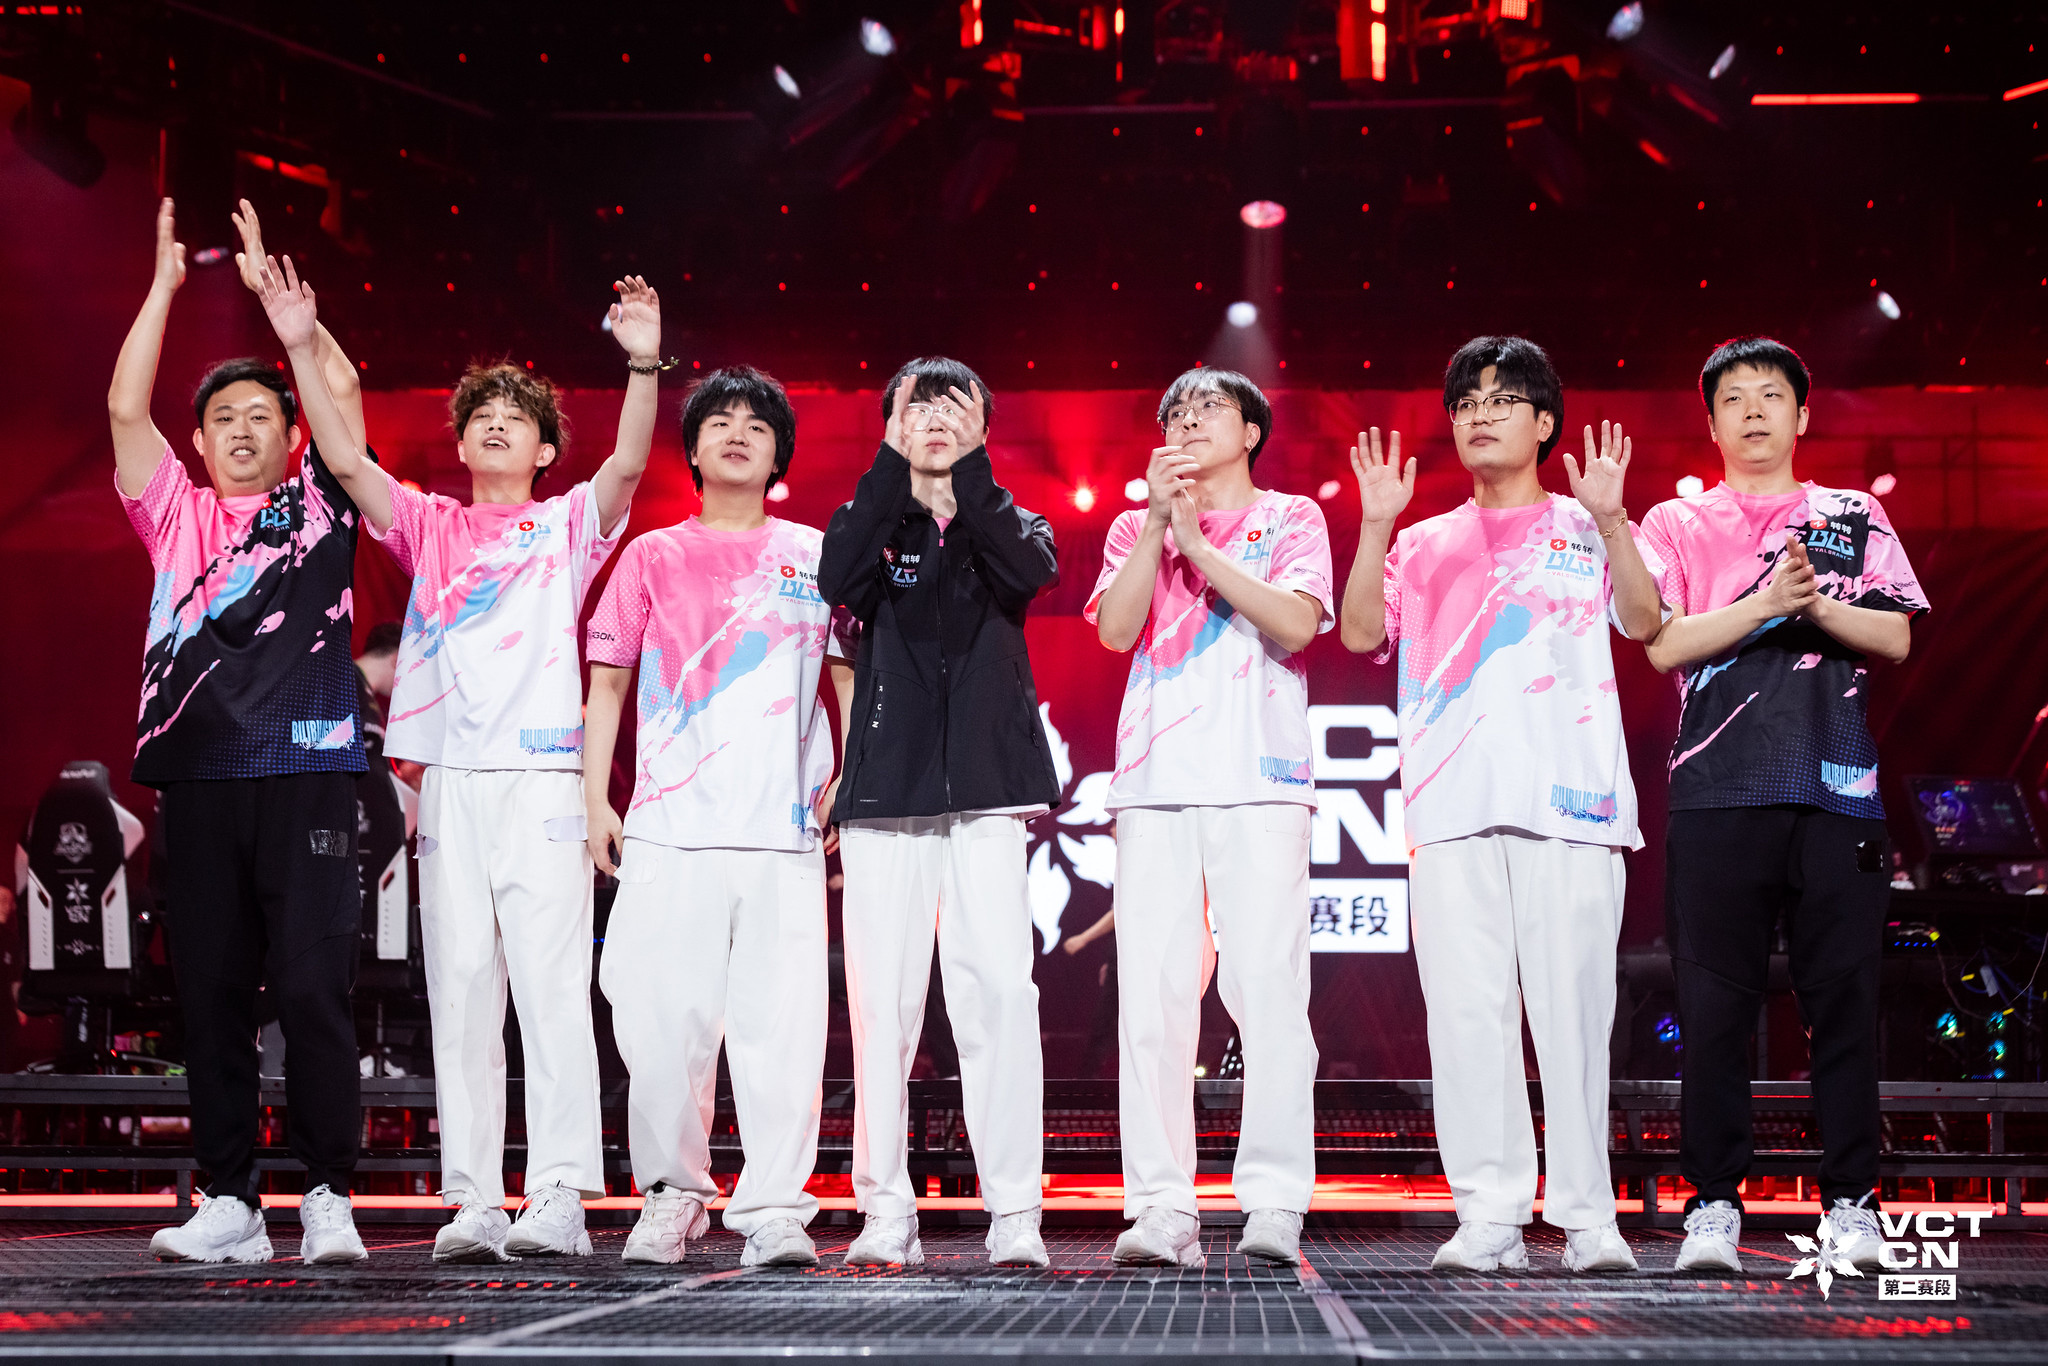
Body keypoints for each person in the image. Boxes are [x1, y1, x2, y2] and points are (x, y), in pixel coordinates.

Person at [250, 248, 662, 1262]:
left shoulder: (566, 525)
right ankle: (475, 1197)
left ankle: (558, 1194)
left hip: (542, 781)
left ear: (543, 448)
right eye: (481, 414)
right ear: (464, 439)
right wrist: (299, 344)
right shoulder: (430, 525)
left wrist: (642, 365)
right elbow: (345, 461)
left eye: (516, 418)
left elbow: (625, 467)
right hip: (450, 787)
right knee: (463, 990)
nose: (495, 425)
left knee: (550, 991)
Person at [1338, 337, 1664, 1274]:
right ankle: (1490, 1215)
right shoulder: (1421, 541)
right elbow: (1358, 633)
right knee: (1468, 1021)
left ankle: (1588, 1219)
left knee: (1574, 1020)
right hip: (1451, 810)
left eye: (1503, 398)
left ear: (1544, 422)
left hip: (1573, 807)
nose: (1481, 413)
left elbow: (1646, 621)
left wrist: (1613, 520)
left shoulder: (1586, 523)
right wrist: (1374, 526)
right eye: (1467, 402)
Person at [111, 199, 370, 1265]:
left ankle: (327, 1195)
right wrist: (164, 289)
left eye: (263, 415)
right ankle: (230, 1202)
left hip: (309, 770)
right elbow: (123, 407)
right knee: (210, 995)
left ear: (290, 434)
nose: (244, 430)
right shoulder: (171, 513)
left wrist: (293, 330)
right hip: (200, 775)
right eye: (225, 418)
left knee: (311, 989)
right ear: (202, 439)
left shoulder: (321, 503)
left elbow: (341, 394)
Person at [1641, 337, 1926, 1274]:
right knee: (1713, 1011)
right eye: (1734, 398)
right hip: (1717, 793)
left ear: (1803, 415)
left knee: (1843, 1006)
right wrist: (1768, 601)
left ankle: (1851, 1206)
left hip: (1839, 793)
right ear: (1712, 421)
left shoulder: (1852, 513)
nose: (1754, 410)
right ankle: (1713, 1206)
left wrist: (1811, 607)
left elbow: (1895, 637)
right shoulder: (1677, 523)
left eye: (1771, 395)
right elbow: (1663, 644)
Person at [582, 366, 852, 1267]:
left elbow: (847, 673)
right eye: (720, 422)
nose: (738, 434)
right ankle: (674, 1194)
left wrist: (849, 773)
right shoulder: (650, 556)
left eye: (758, 426)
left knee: (782, 1031)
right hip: (669, 827)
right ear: (693, 450)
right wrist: (595, 797)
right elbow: (607, 683)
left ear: (780, 456)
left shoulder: (817, 553)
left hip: (782, 830)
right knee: (660, 1027)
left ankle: (774, 1207)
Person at [1087, 367, 1333, 1268]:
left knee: (1267, 995)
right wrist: (1161, 526)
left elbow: (1297, 625)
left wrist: (1200, 543)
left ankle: (1273, 1199)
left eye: (1208, 409)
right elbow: (1116, 631)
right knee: (1152, 1006)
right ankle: (1162, 1208)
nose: (1187, 422)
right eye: (1175, 413)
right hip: (1155, 785)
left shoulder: (1292, 518)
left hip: (1261, 782)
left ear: (1252, 432)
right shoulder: (1133, 527)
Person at [816, 361, 1060, 1269]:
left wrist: (973, 477)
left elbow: (1031, 572)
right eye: (916, 406)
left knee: (999, 995)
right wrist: (892, 470)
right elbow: (837, 577)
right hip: (887, 796)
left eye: (955, 407)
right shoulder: (874, 522)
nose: (934, 418)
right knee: (883, 1006)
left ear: (984, 427)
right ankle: (886, 1211)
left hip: (988, 794)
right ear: (889, 424)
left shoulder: (1010, 521)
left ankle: (1015, 1213)